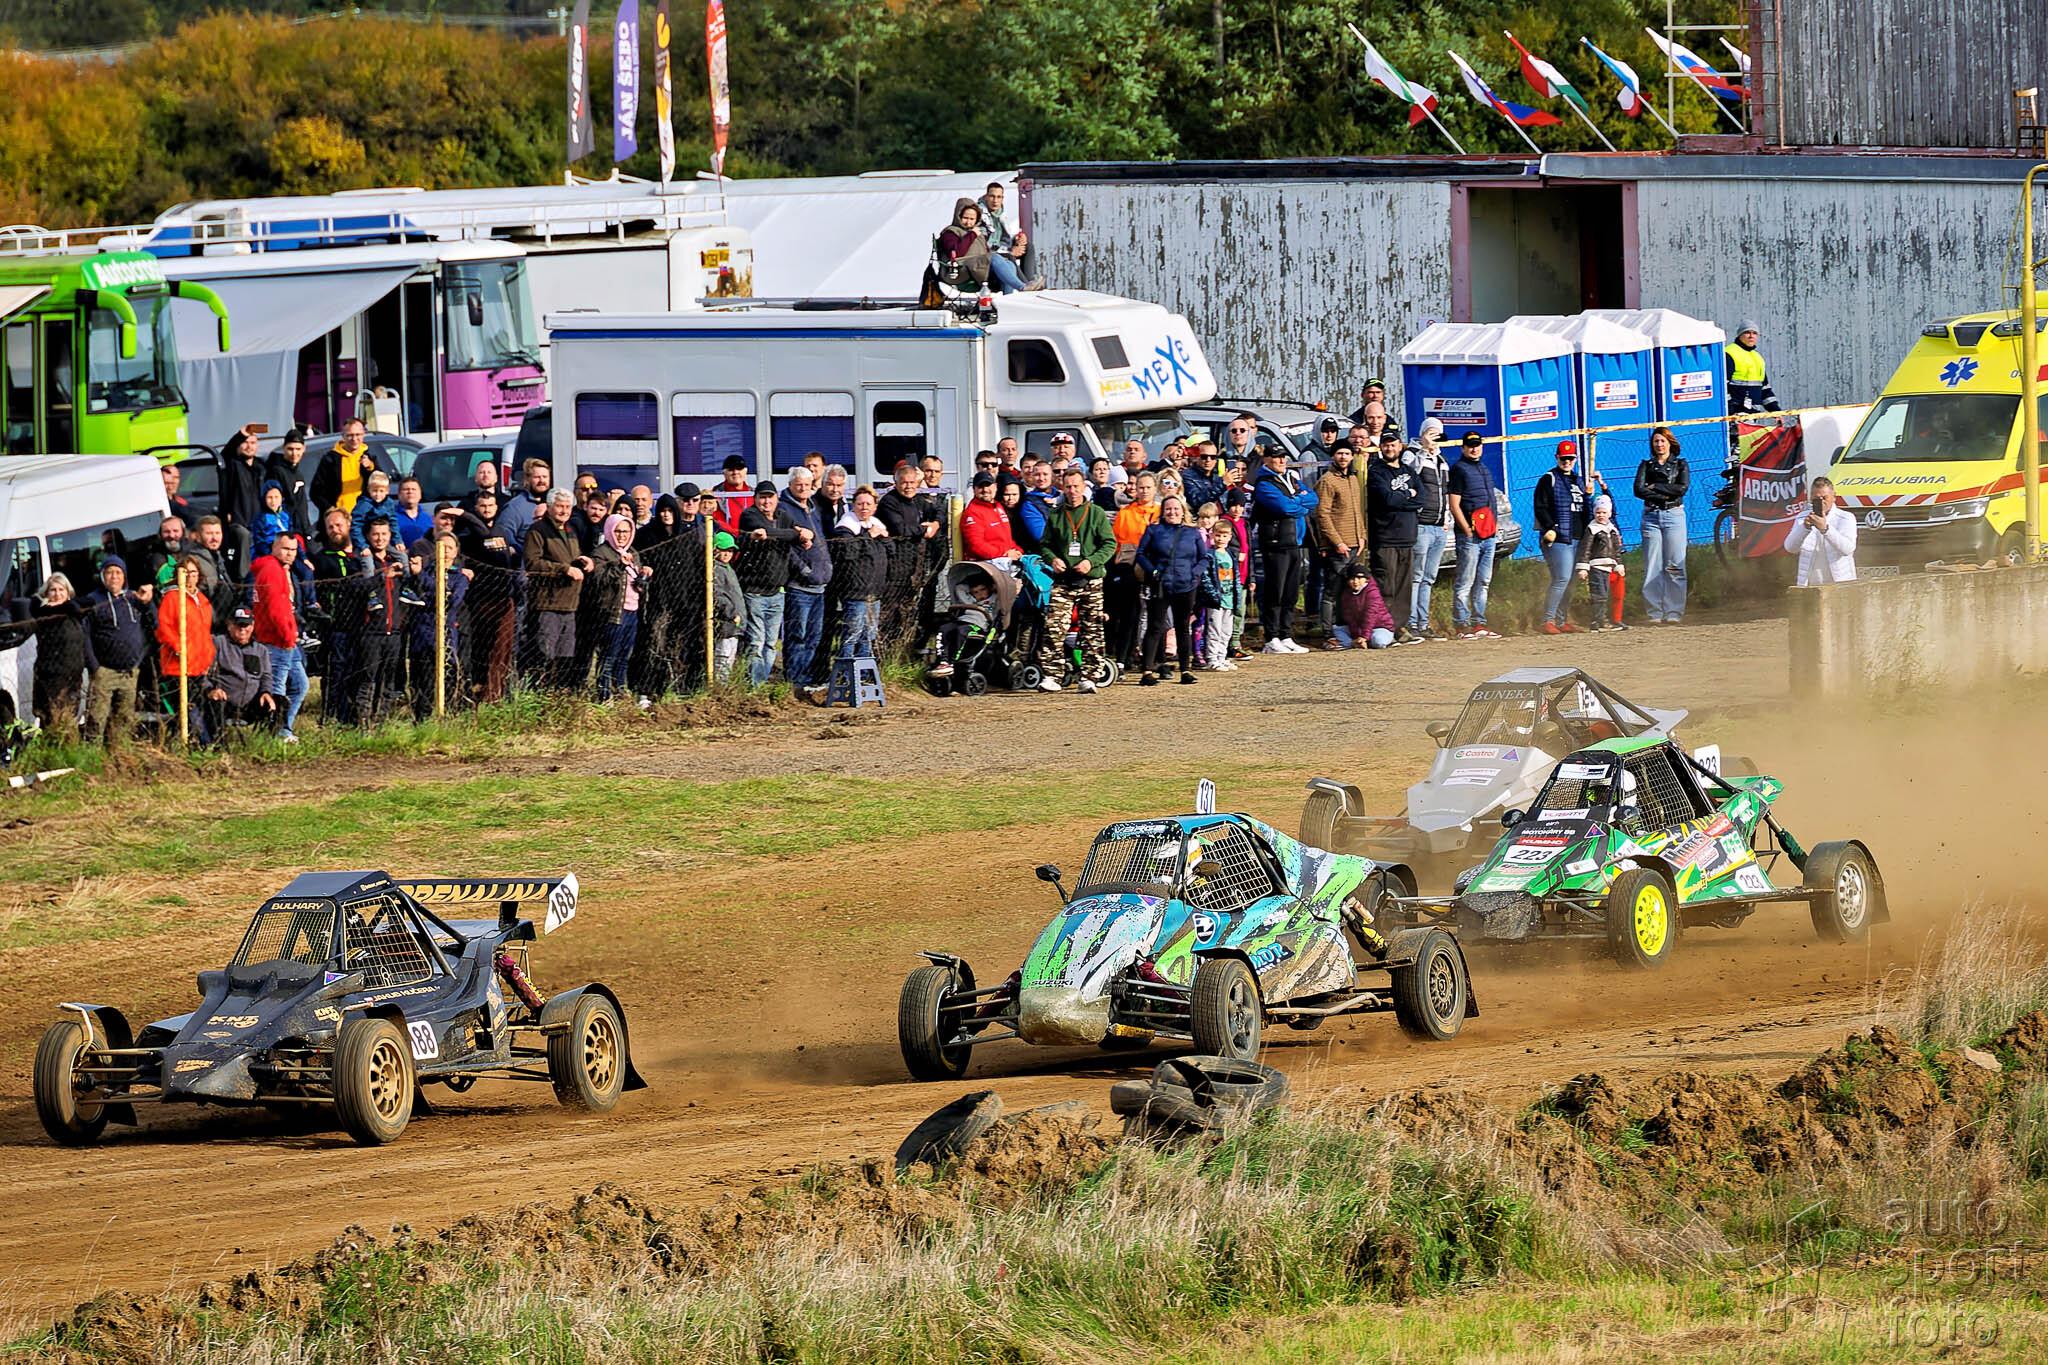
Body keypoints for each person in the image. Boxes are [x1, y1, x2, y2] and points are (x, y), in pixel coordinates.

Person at [1036, 467, 1115, 693]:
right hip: (1063, 580)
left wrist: (1091, 561)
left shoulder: (1096, 513)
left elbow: (1109, 544)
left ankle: (1090, 676)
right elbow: (1045, 545)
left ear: (1083, 487)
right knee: (1054, 627)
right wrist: (1052, 559)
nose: (1072, 491)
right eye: (1068, 487)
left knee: (1092, 629)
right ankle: (1053, 675)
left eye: (1076, 486)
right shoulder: (1056, 515)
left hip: (1091, 579)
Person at [0, 574, 87, 743]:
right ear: (46, 594)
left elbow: (78, 605)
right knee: (51, 723)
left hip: (72, 678)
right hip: (50, 678)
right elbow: (34, 605)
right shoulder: (43, 615)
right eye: (53, 590)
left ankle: (68, 752)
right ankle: (53, 752)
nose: (57, 594)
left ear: (68, 592)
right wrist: (49, 605)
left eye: (61, 590)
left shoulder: (73, 611)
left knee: (68, 722)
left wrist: (59, 606)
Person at [80, 558, 154, 746]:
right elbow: (85, 636)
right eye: (109, 572)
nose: (114, 577)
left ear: (124, 576)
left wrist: (148, 603)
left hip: (130, 672)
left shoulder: (133, 598)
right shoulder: (94, 600)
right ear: (102, 576)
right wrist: (94, 667)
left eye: (118, 572)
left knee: (124, 720)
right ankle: (92, 754)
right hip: (104, 672)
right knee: (96, 718)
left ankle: (119, 754)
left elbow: (155, 624)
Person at [454, 489, 519, 703]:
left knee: (501, 649)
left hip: (503, 597)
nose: (487, 509)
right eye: (482, 506)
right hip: (481, 600)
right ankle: (478, 691)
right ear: (476, 508)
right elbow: (484, 537)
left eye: (490, 506)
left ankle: (496, 694)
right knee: (482, 649)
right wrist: (464, 516)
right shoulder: (469, 535)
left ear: (496, 508)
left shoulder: (502, 532)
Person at [1135, 494, 1207, 686]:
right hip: (1161, 584)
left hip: (1186, 585)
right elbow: (1140, 554)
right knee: (1155, 626)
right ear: (1162, 512)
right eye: (1168, 509)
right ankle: (1147, 671)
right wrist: (1153, 571)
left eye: (1176, 508)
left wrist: (1194, 573)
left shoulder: (1192, 532)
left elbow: (1204, 558)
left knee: (1183, 627)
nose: (1172, 512)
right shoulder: (1154, 530)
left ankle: (1185, 670)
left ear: (1183, 511)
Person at [524, 489, 590, 690]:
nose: (564, 511)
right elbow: (532, 563)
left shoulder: (570, 530)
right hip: (547, 603)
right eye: (560, 506)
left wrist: (583, 561)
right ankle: (539, 694)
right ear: (550, 507)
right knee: (544, 654)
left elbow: (570, 558)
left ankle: (559, 695)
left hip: (570, 604)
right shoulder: (537, 530)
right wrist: (564, 569)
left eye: (568, 507)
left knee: (565, 657)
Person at [736, 479, 800, 685]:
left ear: (776, 498)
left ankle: (761, 683)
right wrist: (792, 534)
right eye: (762, 497)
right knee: (756, 641)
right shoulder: (749, 515)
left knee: (771, 643)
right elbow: (764, 530)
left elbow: (794, 533)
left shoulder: (782, 515)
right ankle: (754, 685)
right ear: (755, 499)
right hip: (754, 591)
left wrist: (793, 534)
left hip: (777, 591)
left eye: (770, 497)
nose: (766, 501)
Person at [1533, 440, 1601, 635]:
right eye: (1563, 458)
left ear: (1575, 459)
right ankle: (1548, 620)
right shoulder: (1549, 479)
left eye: (1570, 458)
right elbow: (1540, 506)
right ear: (1557, 458)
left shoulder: (1578, 480)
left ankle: (1561, 621)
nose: (1567, 462)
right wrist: (1550, 527)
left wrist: (1589, 494)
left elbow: (1586, 509)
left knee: (1570, 580)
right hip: (1558, 538)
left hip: (1577, 537)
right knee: (1561, 578)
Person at [1364, 430, 1422, 645]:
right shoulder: (1376, 472)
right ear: (1381, 447)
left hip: (1407, 537)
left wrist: (1401, 500)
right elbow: (1387, 499)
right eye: (1386, 445)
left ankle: (1399, 628)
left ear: (1400, 446)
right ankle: (1382, 629)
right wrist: (1407, 495)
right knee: (1385, 586)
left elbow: (1421, 499)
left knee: (1403, 588)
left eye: (1393, 444)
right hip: (1385, 538)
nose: (1389, 448)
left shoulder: (1409, 471)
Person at [250, 532, 310, 742]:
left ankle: (284, 728)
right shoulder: (272, 570)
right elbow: (276, 610)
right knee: (277, 688)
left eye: (293, 550)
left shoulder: (278, 569)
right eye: (285, 549)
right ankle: (274, 733)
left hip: (287, 640)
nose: (290, 554)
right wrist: (287, 636)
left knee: (301, 685)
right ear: (274, 548)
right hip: (277, 641)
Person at [349, 517, 409, 721]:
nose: (380, 538)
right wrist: (382, 577)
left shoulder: (397, 561)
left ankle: (381, 721)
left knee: (388, 679)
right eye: (375, 534)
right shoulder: (362, 561)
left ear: (390, 535)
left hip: (395, 630)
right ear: (368, 536)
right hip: (371, 632)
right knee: (368, 677)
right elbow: (354, 589)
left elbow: (411, 587)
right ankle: (364, 723)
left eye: (384, 534)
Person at [778, 468, 832, 693]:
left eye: (807, 485)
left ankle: (807, 677)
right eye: (798, 484)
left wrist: (826, 567)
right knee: (797, 635)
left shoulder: (812, 507)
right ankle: (795, 680)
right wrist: (804, 569)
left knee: (813, 636)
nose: (803, 488)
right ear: (790, 484)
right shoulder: (784, 509)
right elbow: (786, 547)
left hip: (819, 584)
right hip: (799, 585)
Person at [1634, 426, 1691, 625]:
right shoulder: (1646, 465)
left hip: (1674, 516)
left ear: (1670, 443)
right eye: (1656, 441)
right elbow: (1638, 490)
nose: (1659, 445)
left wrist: (1657, 487)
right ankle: (1655, 612)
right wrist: (1664, 495)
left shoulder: (1680, 464)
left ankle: (1674, 611)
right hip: (1651, 516)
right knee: (1653, 565)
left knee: (1675, 564)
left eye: (1662, 441)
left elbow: (1681, 488)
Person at [1446, 432, 1501, 639]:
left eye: (1477, 445)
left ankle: (1479, 623)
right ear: (1463, 448)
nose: (1474, 449)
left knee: (1483, 580)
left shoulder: (1483, 468)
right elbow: (1454, 504)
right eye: (1470, 445)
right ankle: (1462, 625)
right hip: (1470, 537)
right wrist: (1467, 529)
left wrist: (1494, 526)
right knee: (1465, 581)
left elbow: (1489, 501)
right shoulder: (1459, 469)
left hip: (1488, 535)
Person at [155, 556, 216, 740]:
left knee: (202, 707)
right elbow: (163, 628)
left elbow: (205, 632)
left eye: (194, 572)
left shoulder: (202, 600)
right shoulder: (172, 598)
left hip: (199, 666)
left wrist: (208, 656)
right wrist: (178, 648)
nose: (190, 576)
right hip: (177, 666)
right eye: (186, 572)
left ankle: (203, 742)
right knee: (189, 709)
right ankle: (202, 744)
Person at [588, 514, 647, 701]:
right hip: (613, 611)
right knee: (609, 655)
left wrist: (643, 576)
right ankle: (604, 694)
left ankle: (620, 689)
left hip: (632, 610)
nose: (622, 535)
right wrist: (620, 566)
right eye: (618, 531)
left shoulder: (633, 553)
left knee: (624, 654)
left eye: (626, 531)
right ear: (610, 531)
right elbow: (600, 580)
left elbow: (636, 583)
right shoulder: (601, 553)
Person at [830, 486, 890, 663]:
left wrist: (884, 537)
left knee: (868, 636)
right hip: (855, 592)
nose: (864, 507)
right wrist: (868, 536)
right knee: (852, 635)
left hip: (874, 592)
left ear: (875, 507)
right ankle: (846, 671)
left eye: (868, 504)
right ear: (853, 505)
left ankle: (864, 672)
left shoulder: (877, 524)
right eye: (860, 504)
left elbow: (892, 550)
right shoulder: (845, 527)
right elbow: (849, 553)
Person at [1405, 418, 1452, 638]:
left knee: (1429, 577)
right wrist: (1423, 449)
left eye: (1438, 434)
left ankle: (1424, 623)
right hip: (1422, 524)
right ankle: (1411, 622)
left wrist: (1447, 519)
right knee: (1416, 576)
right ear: (1423, 433)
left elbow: (1445, 491)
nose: (1435, 438)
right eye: (1431, 433)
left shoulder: (1441, 459)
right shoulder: (1412, 453)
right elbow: (1408, 475)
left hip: (1439, 526)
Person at [201, 606, 276, 738]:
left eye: (246, 625)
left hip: (251, 703)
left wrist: (266, 692)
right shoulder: (217, 643)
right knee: (215, 705)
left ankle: (266, 742)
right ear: (229, 625)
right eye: (238, 625)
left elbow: (266, 676)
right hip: (224, 701)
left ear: (252, 626)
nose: (242, 629)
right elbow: (202, 671)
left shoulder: (261, 650)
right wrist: (210, 690)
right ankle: (217, 743)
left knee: (279, 703)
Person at [1312, 440, 1367, 617]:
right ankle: (1328, 631)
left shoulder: (1353, 479)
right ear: (1333, 456)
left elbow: (1357, 510)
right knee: (1331, 591)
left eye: (1347, 454)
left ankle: (1344, 626)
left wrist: (1362, 536)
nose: (1343, 457)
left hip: (1354, 544)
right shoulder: (1327, 481)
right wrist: (1337, 542)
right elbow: (1322, 514)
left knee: (1349, 590)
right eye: (1339, 453)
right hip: (1337, 548)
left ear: (1352, 457)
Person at [1787, 477, 1858, 585]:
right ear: (1811, 499)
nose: (1821, 502)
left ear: (1834, 497)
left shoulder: (1845, 518)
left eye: (1825, 498)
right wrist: (1804, 528)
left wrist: (1825, 529)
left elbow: (1847, 549)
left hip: (1840, 584)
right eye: (1816, 498)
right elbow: (1790, 548)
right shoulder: (1802, 518)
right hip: (1809, 585)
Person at [930, 572, 999, 678]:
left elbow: (1004, 595)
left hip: (978, 625)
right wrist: (970, 585)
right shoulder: (970, 601)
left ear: (989, 588)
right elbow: (959, 588)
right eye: (976, 592)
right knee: (944, 629)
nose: (980, 594)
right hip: (962, 620)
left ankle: (952, 662)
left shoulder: (994, 600)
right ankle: (943, 661)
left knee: (961, 632)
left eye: (982, 590)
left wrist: (994, 586)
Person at [977, 181, 1042, 292]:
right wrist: (1010, 251)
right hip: (988, 255)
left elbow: (1003, 237)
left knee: (1028, 246)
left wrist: (1016, 239)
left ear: (1002, 198)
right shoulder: (980, 215)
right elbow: (984, 244)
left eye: (999, 197)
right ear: (986, 197)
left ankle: (1030, 280)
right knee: (1009, 257)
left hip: (1001, 249)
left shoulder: (1001, 213)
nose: (995, 200)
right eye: (992, 196)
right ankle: (1026, 286)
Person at [311, 418, 385, 516]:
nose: (354, 439)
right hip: (339, 517)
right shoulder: (330, 459)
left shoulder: (369, 456)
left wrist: (370, 467)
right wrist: (330, 510)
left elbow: (381, 483)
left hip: (363, 516)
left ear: (363, 435)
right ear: (343, 436)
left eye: (358, 435)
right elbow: (315, 491)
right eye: (350, 435)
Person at [217, 425, 265, 577]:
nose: (249, 446)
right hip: (239, 522)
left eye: (253, 442)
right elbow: (225, 454)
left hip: (259, 523)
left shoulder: (261, 467)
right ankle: (243, 581)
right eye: (245, 442)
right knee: (244, 537)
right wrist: (240, 435)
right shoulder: (233, 464)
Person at [1577, 496, 1629, 632]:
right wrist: (1583, 567)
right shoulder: (1592, 529)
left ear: (1609, 514)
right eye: (1598, 512)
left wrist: (1618, 565)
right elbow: (1586, 549)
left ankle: (1600, 620)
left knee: (1604, 594)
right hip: (1596, 566)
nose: (1601, 515)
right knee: (1598, 594)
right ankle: (1599, 621)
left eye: (1604, 512)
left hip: (1608, 567)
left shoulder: (1612, 530)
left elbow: (1616, 550)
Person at [1199, 520, 1239, 673]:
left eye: (1224, 536)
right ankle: (1212, 658)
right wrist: (1212, 594)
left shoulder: (1230, 555)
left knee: (1226, 630)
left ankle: (1222, 657)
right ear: (1212, 536)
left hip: (1229, 599)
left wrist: (1237, 597)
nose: (1221, 539)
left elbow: (1235, 577)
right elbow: (1206, 577)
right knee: (1214, 629)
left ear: (1229, 537)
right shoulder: (1210, 555)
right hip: (1216, 600)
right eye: (1218, 535)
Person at [1331, 561, 1397, 649]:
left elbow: (1370, 616)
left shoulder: (1373, 593)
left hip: (1379, 627)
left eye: (1359, 578)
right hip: (1359, 629)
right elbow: (1349, 616)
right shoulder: (1346, 594)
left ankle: (1375, 641)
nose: (1355, 581)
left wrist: (1364, 637)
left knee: (1378, 641)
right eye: (1352, 578)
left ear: (1366, 579)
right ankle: (1353, 644)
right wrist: (1356, 636)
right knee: (1336, 630)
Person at [961, 470, 1023, 563]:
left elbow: (1006, 540)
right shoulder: (972, 512)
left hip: (1003, 560)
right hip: (984, 564)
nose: (985, 489)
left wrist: (1017, 551)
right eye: (980, 486)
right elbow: (976, 545)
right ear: (974, 489)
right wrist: (1005, 553)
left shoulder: (998, 506)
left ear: (995, 487)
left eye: (988, 485)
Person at [1725, 320, 1780, 415]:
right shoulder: (1730, 353)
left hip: (1752, 414)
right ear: (1739, 335)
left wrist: (1776, 412)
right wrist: (1731, 411)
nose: (1751, 336)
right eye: (1747, 332)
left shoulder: (1757, 357)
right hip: (1736, 415)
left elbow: (1765, 388)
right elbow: (1722, 387)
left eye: (1754, 333)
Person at [937, 199, 993, 290]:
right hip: (960, 272)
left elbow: (987, 252)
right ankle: (1015, 290)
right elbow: (957, 253)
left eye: (972, 219)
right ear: (958, 216)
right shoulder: (950, 233)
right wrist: (972, 235)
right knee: (996, 260)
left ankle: (1013, 291)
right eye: (965, 218)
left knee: (1007, 259)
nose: (968, 222)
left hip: (981, 269)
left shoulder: (979, 234)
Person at [711, 531, 744, 682]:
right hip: (725, 621)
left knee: (730, 656)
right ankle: (719, 685)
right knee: (722, 656)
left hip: (735, 623)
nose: (727, 554)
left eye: (730, 551)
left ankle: (724, 684)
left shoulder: (728, 568)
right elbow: (717, 594)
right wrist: (730, 613)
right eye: (723, 550)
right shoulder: (716, 569)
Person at [349, 469, 399, 553]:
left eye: (381, 491)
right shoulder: (364, 505)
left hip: (383, 542)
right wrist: (363, 546)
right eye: (375, 491)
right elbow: (356, 526)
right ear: (369, 490)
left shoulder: (389, 503)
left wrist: (397, 541)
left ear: (387, 491)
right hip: (364, 542)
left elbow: (393, 522)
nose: (378, 494)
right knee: (367, 559)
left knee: (402, 556)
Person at [391, 475, 434, 547]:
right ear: (399, 495)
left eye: (414, 489)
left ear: (420, 494)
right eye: (406, 489)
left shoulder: (428, 518)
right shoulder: (392, 518)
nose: (410, 492)